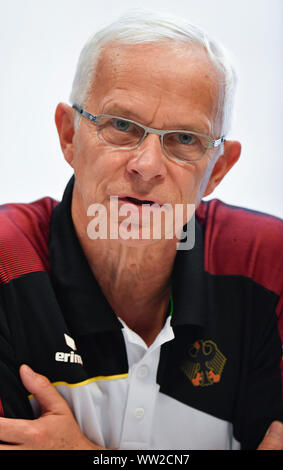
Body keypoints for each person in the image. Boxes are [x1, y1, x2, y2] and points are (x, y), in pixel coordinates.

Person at [0, 10, 282, 451]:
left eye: (185, 139)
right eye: (122, 126)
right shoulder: (6, 261)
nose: (147, 166)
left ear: (218, 170)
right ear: (69, 135)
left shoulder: (269, 266)